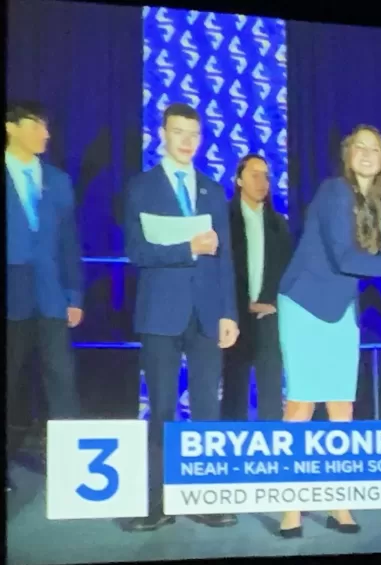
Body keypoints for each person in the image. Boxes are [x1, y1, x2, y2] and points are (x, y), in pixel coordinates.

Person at [275, 124, 381, 538]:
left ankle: (338, 503)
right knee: (301, 406)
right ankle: (290, 507)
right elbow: (344, 258)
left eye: (374, 149)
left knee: (341, 408)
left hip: (341, 308)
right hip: (306, 304)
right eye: (359, 147)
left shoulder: (373, 203)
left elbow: (362, 257)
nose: (366, 154)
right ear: (347, 155)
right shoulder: (335, 192)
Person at [122, 102, 239, 532]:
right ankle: (158, 502)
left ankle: (204, 498)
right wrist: (188, 247)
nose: (187, 141)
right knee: (163, 409)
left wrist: (229, 313)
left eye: (194, 133)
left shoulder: (212, 190)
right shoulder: (141, 187)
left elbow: (225, 258)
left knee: (208, 407)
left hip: (207, 313)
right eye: (179, 132)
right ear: (163, 134)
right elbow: (137, 252)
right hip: (160, 313)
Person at [5, 101, 83, 493]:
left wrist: (74, 294)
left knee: (62, 379)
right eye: (36, 126)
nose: (45, 134)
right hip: (12, 294)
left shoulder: (57, 180)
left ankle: (69, 465)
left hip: (51, 294)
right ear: (11, 127)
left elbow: (69, 242)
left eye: (47, 127)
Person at [222, 153, 292, 421]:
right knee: (234, 390)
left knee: (272, 391)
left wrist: (273, 304)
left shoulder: (278, 224)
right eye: (254, 175)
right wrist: (244, 306)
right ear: (239, 180)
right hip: (233, 317)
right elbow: (217, 272)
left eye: (265, 176)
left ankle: (272, 442)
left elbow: (286, 271)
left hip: (269, 318)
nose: (262, 182)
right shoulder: (224, 220)